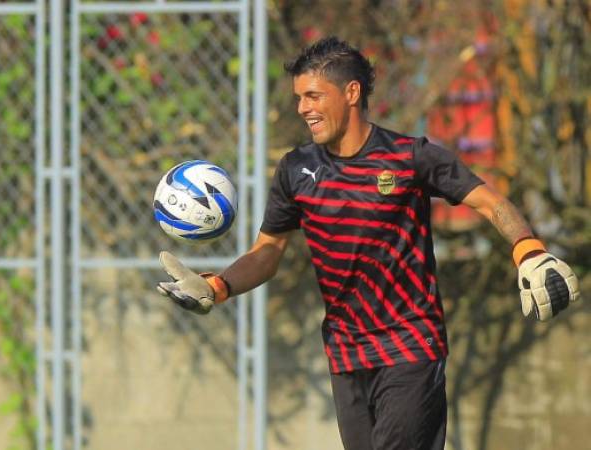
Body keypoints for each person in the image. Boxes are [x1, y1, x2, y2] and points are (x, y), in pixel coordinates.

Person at [156, 37, 580, 450]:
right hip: (345, 352)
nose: (303, 107)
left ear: (351, 92)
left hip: (411, 344)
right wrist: (217, 287)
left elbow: (490, 202)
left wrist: (529, 251)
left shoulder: (409, 156)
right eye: (299, 97)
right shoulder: (296, 169)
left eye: (313, 95)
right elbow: (268, 252)